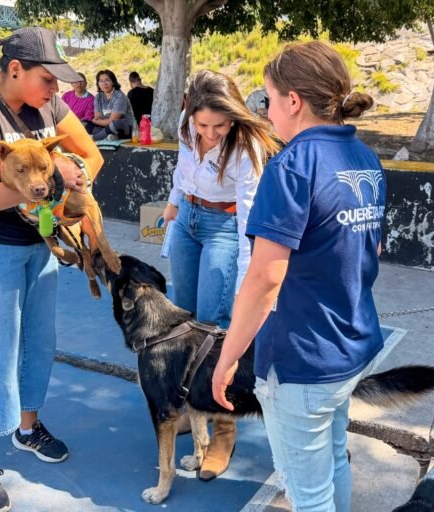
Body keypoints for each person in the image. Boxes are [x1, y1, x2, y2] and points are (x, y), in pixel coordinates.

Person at [0, 26, 104, 512]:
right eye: (50, 80)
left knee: (38, 342)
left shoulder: (47, 107)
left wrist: (76, 180)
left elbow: (88, 155)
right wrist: (46, 185)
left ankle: (27, 429)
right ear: (15, 70)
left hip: (35, 244)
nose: (58, 92)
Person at [211, 41, 383, 512]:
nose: (264, 110)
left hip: (303, 356)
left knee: (308, 494)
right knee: (333, 461)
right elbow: (370, 248)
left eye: (267, 98)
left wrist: (228, 358)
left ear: (293, 101)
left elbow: (266, 278)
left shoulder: (291, 166)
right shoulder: (364, 158)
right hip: (349, 343)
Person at [162, 69, 279, 481]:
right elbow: (182, 169)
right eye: (202, 125)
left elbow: (249, 214)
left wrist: (249, 279)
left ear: (234, 117)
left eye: (220, 125)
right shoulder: (185, 125)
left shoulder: (246, 147)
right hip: (188, 220)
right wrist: (174, 205)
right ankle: (191, 412)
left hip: (225, 228)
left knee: (214, 331)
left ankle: (223, 431)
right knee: (182, 323)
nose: (210, 134)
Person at [87, 69, 135, 140]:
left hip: (124, 128)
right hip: (106, 127)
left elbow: (112, 120)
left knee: (116, 123)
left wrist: (96, 121)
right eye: (101, 81)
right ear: (98, 84)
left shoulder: (120, 97)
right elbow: (97, 117)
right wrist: (97, 121)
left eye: (107, 80)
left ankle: (95, 137)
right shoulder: (98, 97)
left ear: (113, 82)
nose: (104, 83)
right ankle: (107, 135)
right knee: (84, 123)